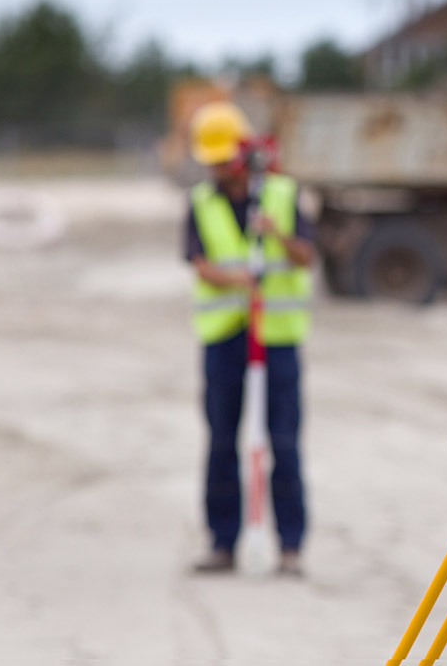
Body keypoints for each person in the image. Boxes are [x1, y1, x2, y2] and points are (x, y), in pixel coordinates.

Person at [185, 101, 313, 576]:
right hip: (224, 340)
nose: (218, 169)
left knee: (283, 441)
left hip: (276, 339)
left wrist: (274, 234)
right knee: (221, 441)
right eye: (211, 161)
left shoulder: (279, 194)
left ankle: (291, 547)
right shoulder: (200, 202)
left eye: (223, 159)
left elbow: (305, 257)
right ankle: (222, 543)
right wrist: (242, 280)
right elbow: (200, 264)